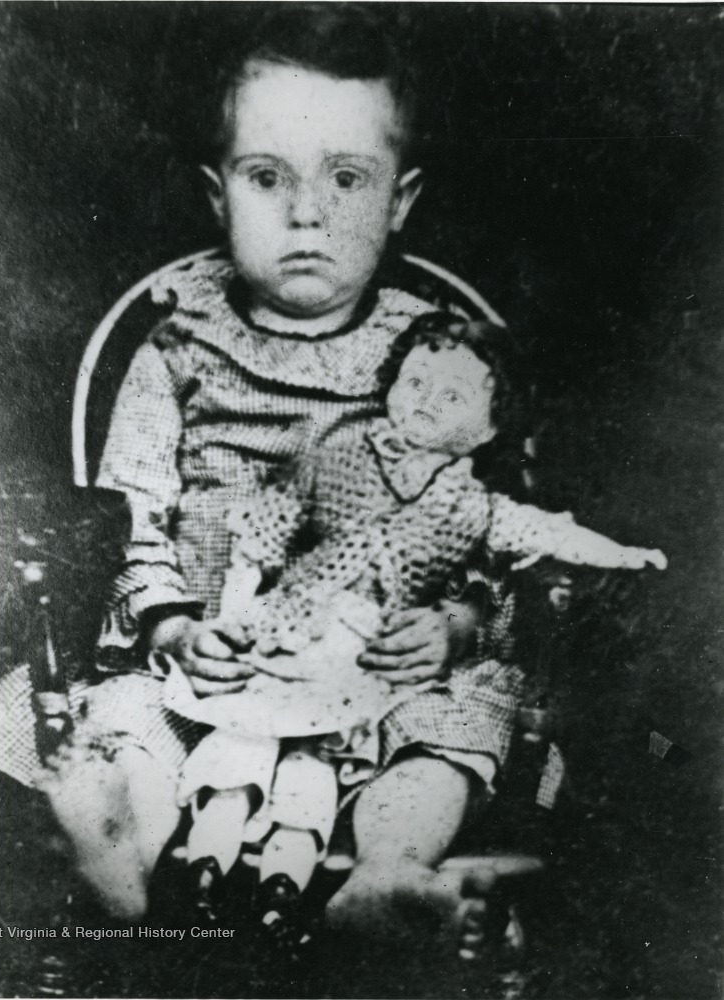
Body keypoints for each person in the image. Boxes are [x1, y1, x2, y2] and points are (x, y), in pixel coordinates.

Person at [0, 5, 497, 928]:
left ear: (398, 202)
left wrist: (448, 626)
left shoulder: (433, 352)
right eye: (266, 177)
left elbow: (482, 518)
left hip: (378, 663)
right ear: (218, 196)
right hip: (213, 659)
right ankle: (121, 846)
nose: (305, 212)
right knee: (135, 719)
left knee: (440, 737)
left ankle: (388, 869)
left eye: (345, 178)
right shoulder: (177, 342)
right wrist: (172, 632)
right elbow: (136, 515)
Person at [160, 313, 666, 945]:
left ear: (488, 430)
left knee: (357, 747)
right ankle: (214, 865)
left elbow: (544, 532)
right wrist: (235, 612)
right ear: (390, 384)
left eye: (452, 396)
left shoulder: (471, 505)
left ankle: (339, 883)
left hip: (372, 662)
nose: (427, 401)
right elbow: (268, 528)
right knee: (250, 736)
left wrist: (622, 554)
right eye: (415, 380)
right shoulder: (341, 455)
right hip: (298, 628)